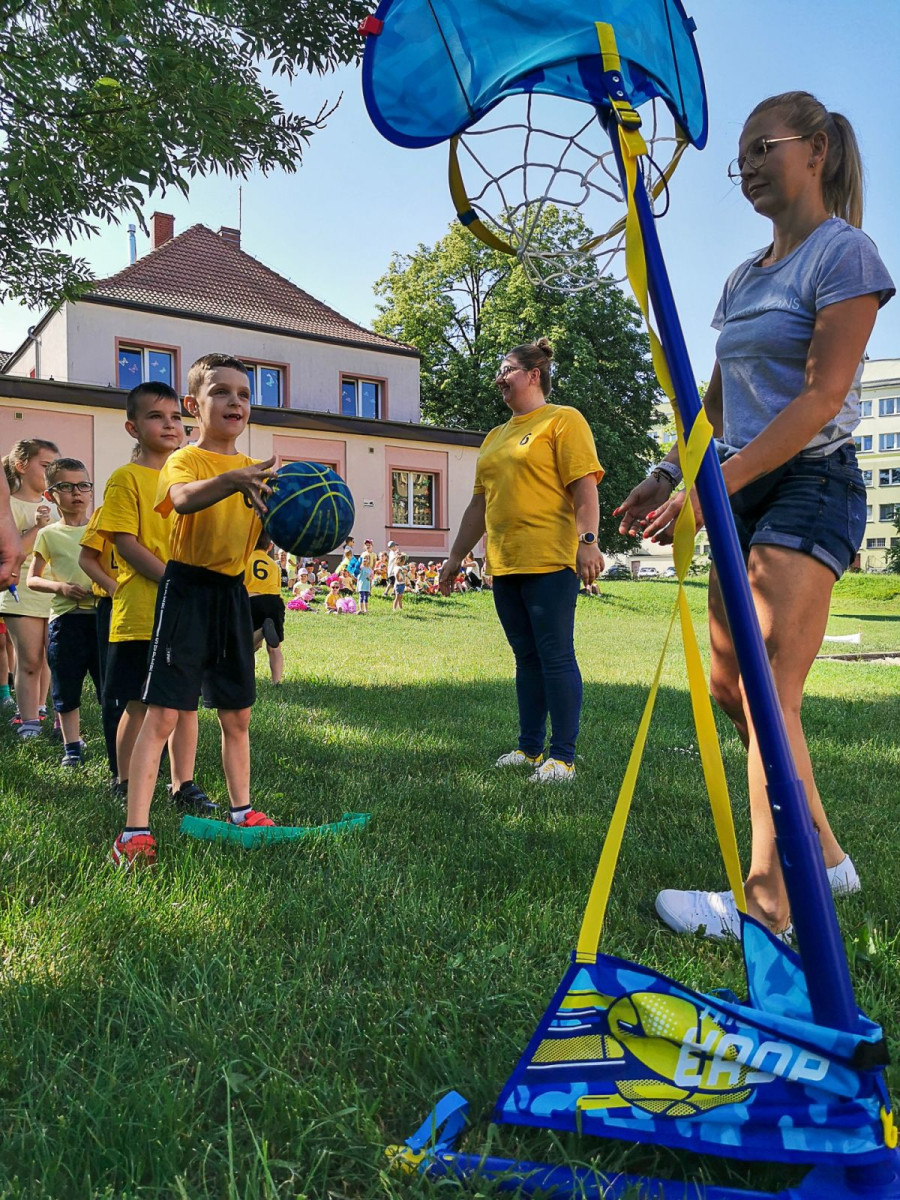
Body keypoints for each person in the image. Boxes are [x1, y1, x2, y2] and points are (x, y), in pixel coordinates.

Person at [615, 92, 894, 938]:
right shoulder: (742, 277)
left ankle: (768, 903)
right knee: (737, 691)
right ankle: (831, 864)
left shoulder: (845, 255)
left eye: (760, 148)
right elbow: (717, 395)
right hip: (738, 486)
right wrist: (668, 470)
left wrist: (719, 482)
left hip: (811, 481)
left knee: (773, 691)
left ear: (814, 150)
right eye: (737, 158)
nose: (744, 168)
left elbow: (823, 397)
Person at [111, 354, 278, 868]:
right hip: (185, 590)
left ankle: (242, 811)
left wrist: (291, 515)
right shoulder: (185, 460)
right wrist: (236, 481)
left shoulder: (253, 468)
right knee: (162, 713)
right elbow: (181, 500)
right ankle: (133, 832)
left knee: (238, 713)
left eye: (244, 394)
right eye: (221, 392)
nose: (235, 402)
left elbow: (262, 540)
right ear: (192, 405)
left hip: (232, 593)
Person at [440, 338, 604, 783]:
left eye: (507, 369)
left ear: (534, 374)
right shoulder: (495, 437)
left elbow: (585, 488)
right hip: (505, 563)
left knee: (554, 656)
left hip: (550, 560)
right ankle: (531, 748)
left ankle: (563, 758)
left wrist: (587, 541)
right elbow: (479, 505)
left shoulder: (562, 420)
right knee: (526, 658)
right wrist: (457, 556)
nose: (500, 377)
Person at [99, 381, 209, 809]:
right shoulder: (126, 478)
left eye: (175, 417)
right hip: (141, 612)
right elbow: (125, 543)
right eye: (155, 417)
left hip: (187, 613)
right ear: (132, 428)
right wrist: (174, 581)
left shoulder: (192, 480)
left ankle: (184, 784)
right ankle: (124, 779)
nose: (169, 425)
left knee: (185, 704)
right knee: (139, 703)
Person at [27, 458, 100, 766]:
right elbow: (33, 578)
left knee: (109, 685)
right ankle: (72, 747)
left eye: (83, 485)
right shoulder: (49, 534)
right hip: (66, 621)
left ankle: (119, 741)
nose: (76, 493)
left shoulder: (103, 527)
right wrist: (61, 588)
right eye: (66, 487)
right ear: (50, 495)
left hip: (102, 618)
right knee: (66, 685)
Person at [0, 438, 59, 738]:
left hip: (49, 590)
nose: (51, 473)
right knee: (30, 658)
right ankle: (28, 722)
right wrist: (36, 528)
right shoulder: (6, 504)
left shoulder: (54, 506)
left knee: (50, 656)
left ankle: (39, 707)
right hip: (18, 590)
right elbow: (12, 551)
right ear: (22, 466)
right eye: (46, 466)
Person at [78, 504, 120, 779]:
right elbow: (87, 558)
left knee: (155, 689)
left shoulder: (170, 503)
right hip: (114, 604)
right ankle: (119, 768)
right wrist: (113, 587)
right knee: (115, 688)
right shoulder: (108, 510)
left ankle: (157, 760)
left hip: (158, 602)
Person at [245, 533, 285, 684]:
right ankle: (277, 682)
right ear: (269, 546)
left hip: (251, 600)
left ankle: (248, 679)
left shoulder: (245, 560)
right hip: (274, 601)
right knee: (275, 648)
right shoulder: (273, 565)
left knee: (246, 646)